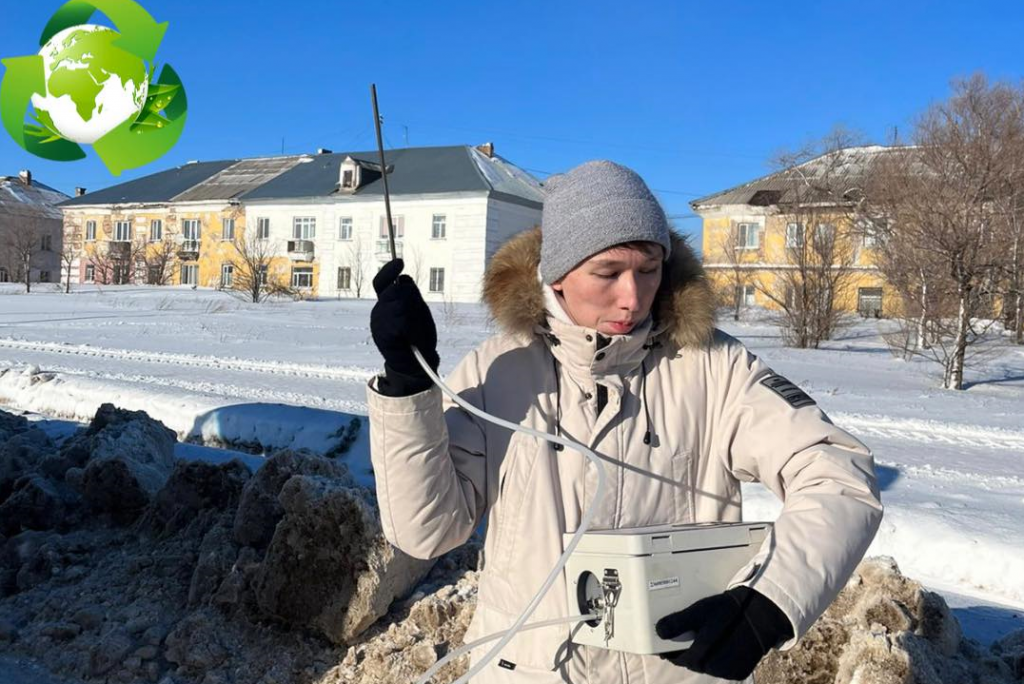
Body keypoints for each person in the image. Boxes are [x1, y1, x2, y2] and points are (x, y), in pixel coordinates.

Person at [367, 160, 883, 684]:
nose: (633, 297)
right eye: (608, 273)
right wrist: (409, 386)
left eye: (649, 268)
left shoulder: (715, 367)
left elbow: (837, 475)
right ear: (558, 276)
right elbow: (427, 532)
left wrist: (771, 599)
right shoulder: (498, 370)